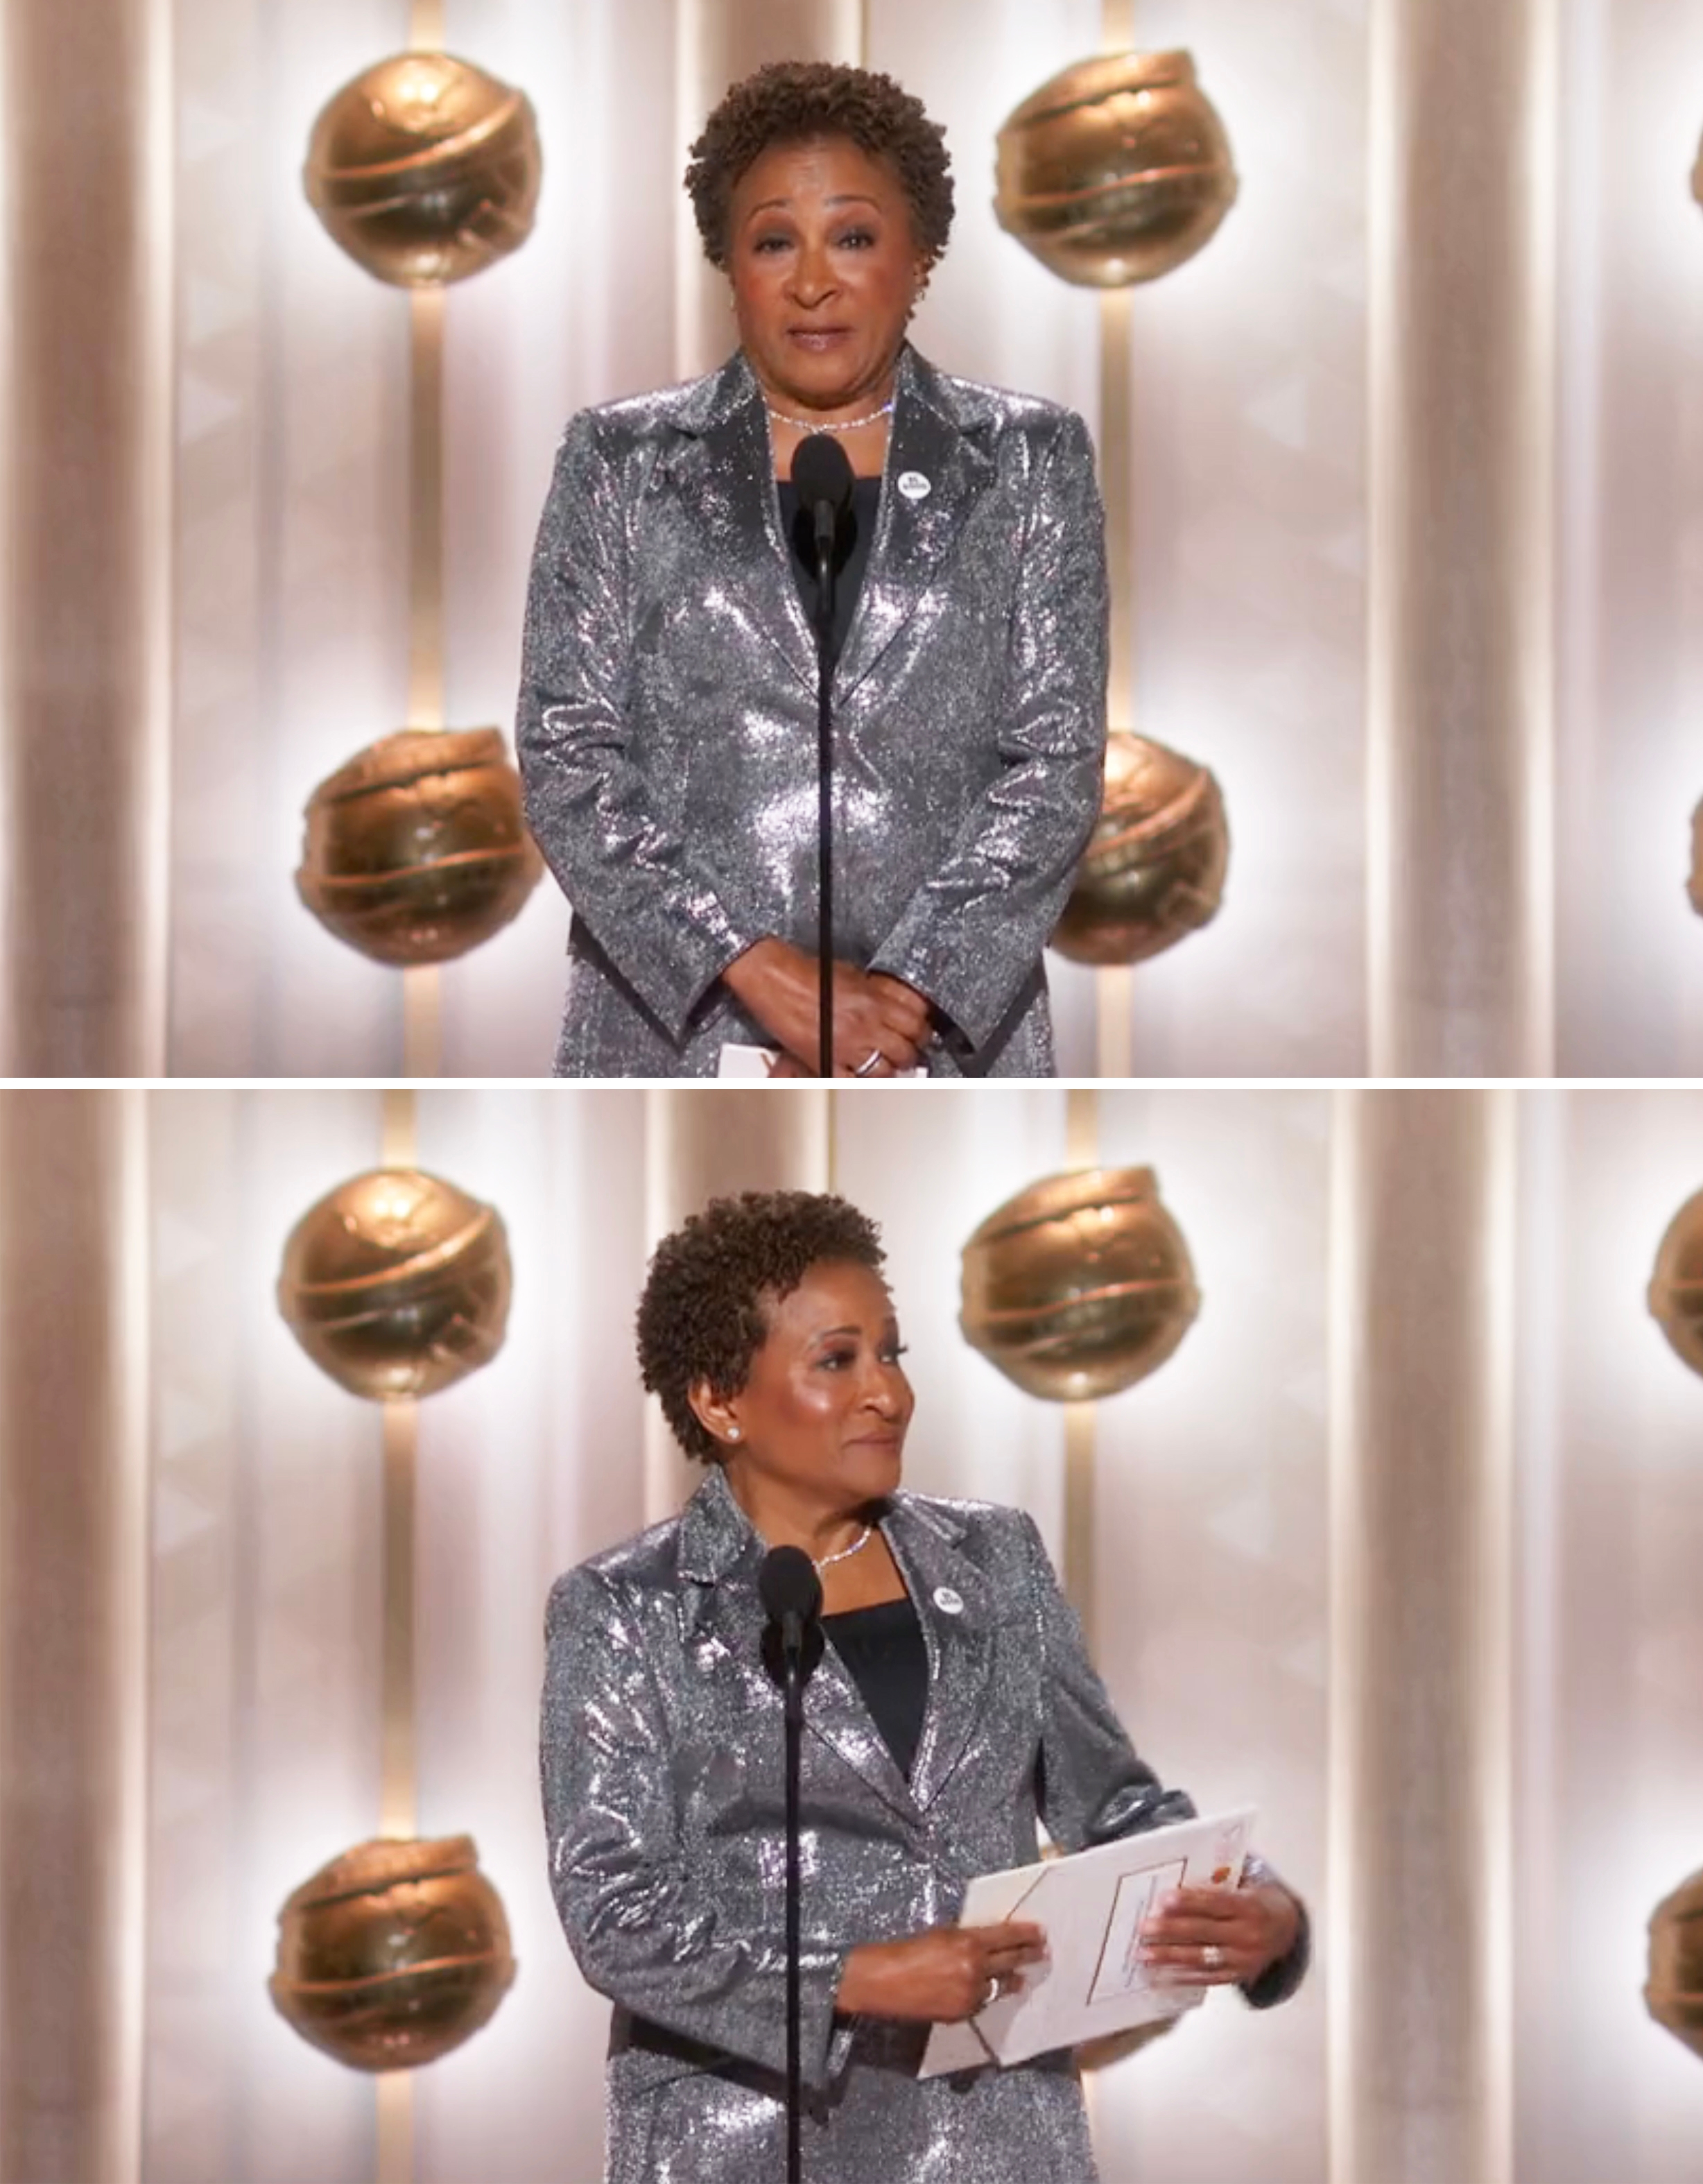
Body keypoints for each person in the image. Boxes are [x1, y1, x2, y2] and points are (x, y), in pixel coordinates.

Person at [539, 1192, 1310, 2184]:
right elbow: (615, 1910)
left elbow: (1110, 1801)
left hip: (1000, 2140)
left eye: (893, 1354)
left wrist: (1256, 1905)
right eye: (838, 1359)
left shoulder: (997, 1557)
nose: (888, 1394)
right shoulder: (624, 1607)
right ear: (719, 1399)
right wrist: (856, 1979)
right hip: (751, 2144)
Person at [517, 63, 1109, 1077]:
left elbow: (1055, 761)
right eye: (773, 241)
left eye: (853, 236)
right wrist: (753, 968)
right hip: (677, 1037)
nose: (811, 281)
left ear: (921, 254)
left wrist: (906, 1000)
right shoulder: (620, 461)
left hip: (944, 1045)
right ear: (729, 262)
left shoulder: (1028, 458)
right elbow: (568, 756)